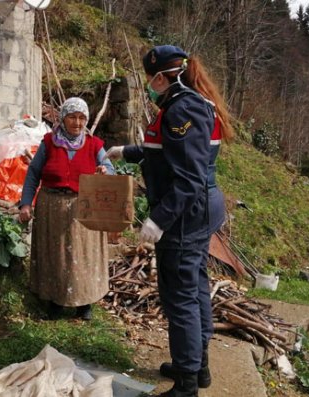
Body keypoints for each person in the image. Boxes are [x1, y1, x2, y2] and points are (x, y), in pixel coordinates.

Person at [105, 45, 233, 397]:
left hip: (185, 212)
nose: (149, 85)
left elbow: (189, 177)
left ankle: (186, 383)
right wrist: (128, 151)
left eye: (150, 79)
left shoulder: (183, 109)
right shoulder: (192, 102)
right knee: (193, 286)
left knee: (180, 295)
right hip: (200, 207)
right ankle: (197, 365)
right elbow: (168, 152)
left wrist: (158, 220)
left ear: (162, 77)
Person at [19, 97, 114, 321]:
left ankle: (85, 303)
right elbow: (33, 173)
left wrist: (104, 171)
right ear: (63, 118)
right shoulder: (50, 142)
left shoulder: (94, 145)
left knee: (84, 254)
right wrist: (25, 203)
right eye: (72, 117)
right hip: (51, 205)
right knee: (55, 254)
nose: (77, 123)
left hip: (84, 206)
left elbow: (109, 167)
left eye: (82, 118)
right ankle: (55, 301)